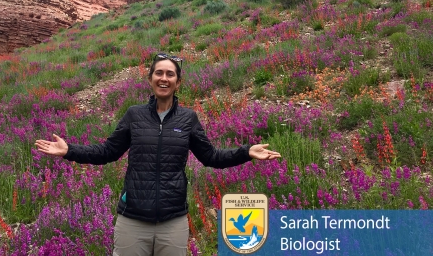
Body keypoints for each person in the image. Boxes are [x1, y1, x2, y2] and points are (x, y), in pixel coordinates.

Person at [35, 53, 281, 256]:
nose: (164, 78)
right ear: (151, 79)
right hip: (132, 220)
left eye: (170, 74)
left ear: (178, 82)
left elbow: (211, 157)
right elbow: (108, 152)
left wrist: (246, 152)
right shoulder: (134, 115)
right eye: (159, 73)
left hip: (172, 222)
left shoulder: (188, 119)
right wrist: (69, 151)